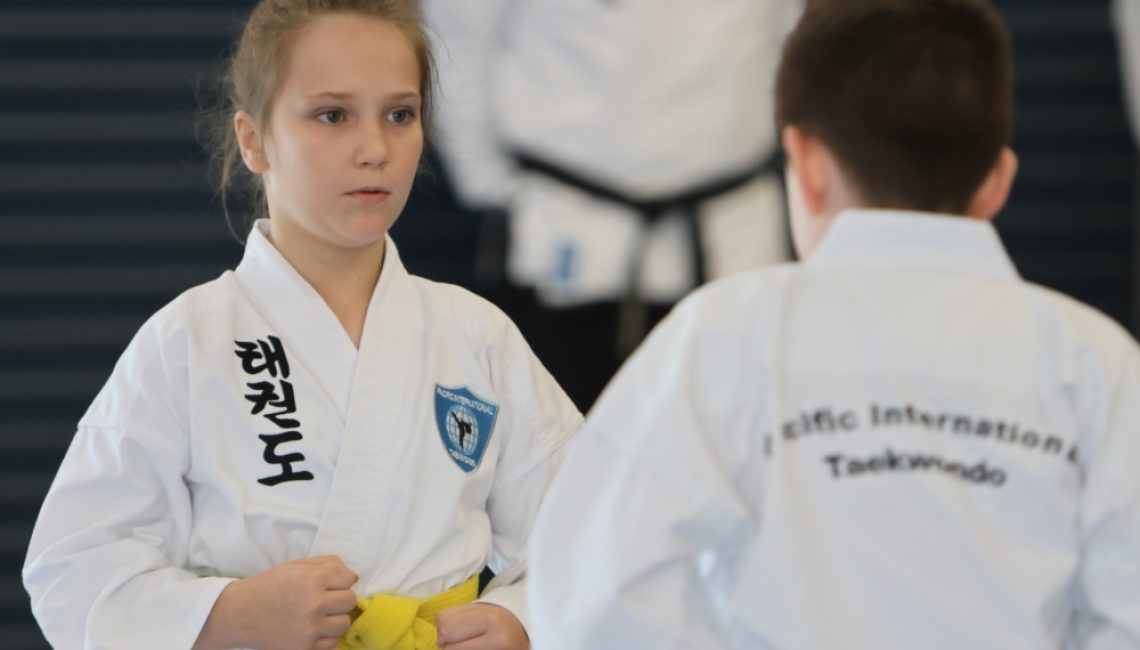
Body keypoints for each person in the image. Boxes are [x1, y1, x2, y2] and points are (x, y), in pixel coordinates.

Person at [526, 1, 1140, 647]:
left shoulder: (723, 334)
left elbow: (598, 597)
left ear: (806, 163)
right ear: (998, 179)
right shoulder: (1096, 362)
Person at [22, 2, 581, 649]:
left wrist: (522, 620)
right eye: (332, 115)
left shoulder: (476, 336)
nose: (375, 148)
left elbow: (591, 524)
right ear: (253, 139)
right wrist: (224, 616)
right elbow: (71, 570)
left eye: (399, 114)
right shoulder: (187, 342)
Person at [420, 0, 802, 410]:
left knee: (738, 441)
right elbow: (456, 41)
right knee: (558, 448)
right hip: (565, 234)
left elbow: (794, 38)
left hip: (731, 234)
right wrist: (492, 185)